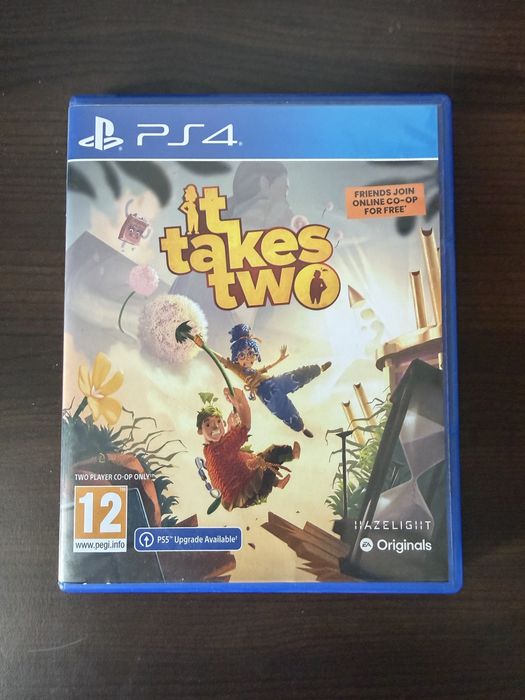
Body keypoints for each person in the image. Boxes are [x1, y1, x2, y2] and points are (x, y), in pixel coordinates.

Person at [196, 324, 331, 438]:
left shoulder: (254, 371)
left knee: (295, 377)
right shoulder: (238, 369)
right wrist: (204, 346)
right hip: (267, 394)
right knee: (285, 411)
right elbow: (222, 360)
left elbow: (267, 368)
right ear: (236, 358)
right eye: (242, 355)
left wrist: (280, 359)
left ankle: (318, 369)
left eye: (251, 354)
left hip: (275, 381)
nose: (247, 358)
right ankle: (301, 427)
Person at [197, 388, 300, 511]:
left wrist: (231, 426)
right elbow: (246, 425)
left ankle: (278, 483)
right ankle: (293, 454)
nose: (215, 426)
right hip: (250, 491)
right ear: (200, 430)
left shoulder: (209, 449)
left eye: (218, 421)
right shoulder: (222, 449)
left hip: (235, 496)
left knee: (254, 460)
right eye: (208, 424)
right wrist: (240, 402)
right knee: (273, 452)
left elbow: (227, 454)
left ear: (223, 423)